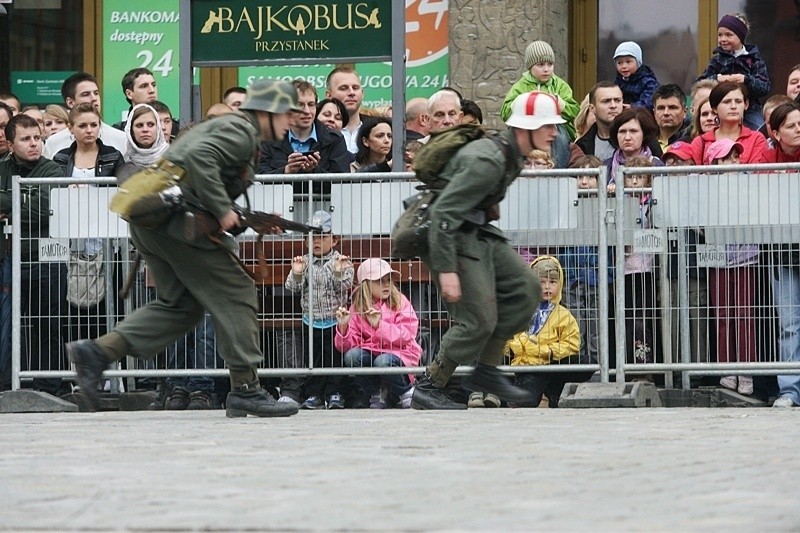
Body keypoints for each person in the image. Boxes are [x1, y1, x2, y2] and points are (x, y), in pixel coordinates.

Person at [65, 79, 304, 418]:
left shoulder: (228, 127)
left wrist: (247, 217)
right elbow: (200, 159)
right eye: (287, 113)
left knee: (181, 305)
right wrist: (223, 210)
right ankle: (246, 389)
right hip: (178, 224)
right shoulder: (241, 129)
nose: (292, 120)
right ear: (267, 112)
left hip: (154, 220)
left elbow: (197, 173)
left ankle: (98, 352)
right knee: (236, 291)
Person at [409, 91, 563, 410]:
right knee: (479, 320)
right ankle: (430, 385)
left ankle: (487, 370)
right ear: (525, 128)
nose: (554, 133)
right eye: (547, 125)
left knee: (526, 290)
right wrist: (447, 268)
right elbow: (443, 214)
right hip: (450, 235)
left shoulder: (514, 154)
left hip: (476, 229)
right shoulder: (489, 160)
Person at [0, 114, 67, 395]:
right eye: (26, 139)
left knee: (46, 325)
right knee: (6, 325)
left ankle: (48, 386)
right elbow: (36, 205)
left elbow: (46, 210)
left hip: (46, 258)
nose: (33, 144)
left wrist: (10, 203)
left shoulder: (52, 169)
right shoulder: (1, 168)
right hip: (8, 259)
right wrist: (27, 198)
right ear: (11, 142)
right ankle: (6, 384)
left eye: (37, 138)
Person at [52, 103, 125, 344]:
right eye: (82, 125)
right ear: (71, 129)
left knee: (108, 308)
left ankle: (110, 373)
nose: (89, 130)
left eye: (94, 125)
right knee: (72, 307)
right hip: (70, 243)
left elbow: (122, 189)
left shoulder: (112, 155)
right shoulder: (61, 159)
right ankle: (77, 369)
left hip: (106, 243)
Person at [283, 210, 354, 409]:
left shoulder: (341, 260)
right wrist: (297, 273)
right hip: (311, 320)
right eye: (312, 237)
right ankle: (314, 394)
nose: (317, 242)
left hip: (335, 320)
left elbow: (345, 286)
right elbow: (292, 287)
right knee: (313, 358)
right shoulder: (303, 262)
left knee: (334, 357)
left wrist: (339, 272)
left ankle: (335, 393)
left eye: (322, 237)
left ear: (334, 240)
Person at [702, 138, 756, 395]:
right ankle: (727, 369)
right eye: (725, 158)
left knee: (746, 315)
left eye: (735, 157)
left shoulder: (749, 184)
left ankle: (746, 371)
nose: (733, 162)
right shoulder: (705, 189)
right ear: (713, 162)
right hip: (716, 257)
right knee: (722, 315)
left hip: (746, 256)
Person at [336, 258, 421, 409]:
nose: (387, 284)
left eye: (388, 279)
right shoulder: (356, 308)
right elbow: (347, 347)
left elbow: (407, 335)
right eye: (379, 281)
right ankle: (376, 393)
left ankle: (406, 391)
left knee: (383, 361)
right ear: (366, 284)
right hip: (374, 354)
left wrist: (379, 325)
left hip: (399, 353)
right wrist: (343, 327)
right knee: (352, 356)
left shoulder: (400, 301)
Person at [506, 256, 590, 408]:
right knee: (524, 402)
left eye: (552, 282)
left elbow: (571, 345)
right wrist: (523, 347)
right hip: (526, 366)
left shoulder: (564, 315)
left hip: (551, 364)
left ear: (560, 283)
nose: (547, 287)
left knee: (586, 363)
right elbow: (507, 338)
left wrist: (546, 351)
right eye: (541, 282)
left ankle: (552, 390)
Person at [559, 155, 612, 370]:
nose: (583, 181)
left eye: (590, 176)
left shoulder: (607, 205)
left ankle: (599, 368)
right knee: (574, 324)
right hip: (571, 275)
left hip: (598, 277)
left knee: (597, 325)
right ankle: (577, 368)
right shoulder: (568, 206)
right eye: (579, 176)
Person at [764, 101, 800, 407]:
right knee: (789, 323)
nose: (798, 129)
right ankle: (790, 390)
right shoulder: (764, 158)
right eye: (790, 125)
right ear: (775, 132)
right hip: (782, 251)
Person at [620, 155, 660, 379]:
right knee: (628, 317)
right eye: (630, 177)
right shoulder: (621, 204)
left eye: (639, 177)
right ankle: (630, 364)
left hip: (646, 270)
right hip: (625, 269)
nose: (634, 182)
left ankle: (645, 365)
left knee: (643, 319)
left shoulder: (651, 204)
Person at [258, 80, 349, 177]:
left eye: (311, 105)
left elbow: (342, 184)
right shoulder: (269, 138)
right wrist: (286, 171)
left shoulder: (335, 139)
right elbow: (259, 179)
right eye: (299, 105)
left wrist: (314, 171)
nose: (307, 111)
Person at [697, 12, 770, 130]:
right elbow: (700, 83)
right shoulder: (717, 60)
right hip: (719, 109)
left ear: (740, 37)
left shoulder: (753, 59)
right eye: (720, 35)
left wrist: (745, 80)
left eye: (728, 35)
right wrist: (717, 79)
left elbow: (764, 87)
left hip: (750, 109)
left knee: (760, 130)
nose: (723, 39)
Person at [500, 40, 580, 140]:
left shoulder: (560, 85)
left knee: (560, 136)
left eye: (550, 64)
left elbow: (574, 111)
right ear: (530, 67)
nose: (546, 69)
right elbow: (505, 113)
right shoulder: (520, 86)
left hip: (557, 130)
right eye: (541, 64)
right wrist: (523, 102)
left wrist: (557, 102)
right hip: (527, 128)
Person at [43, 72, 127, 158]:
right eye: (86, 94)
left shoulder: (120, 139)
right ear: (70, 102)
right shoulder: (54, 143)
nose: (94, 98)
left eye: (96, 93)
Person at [688, 81, 767, 165]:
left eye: (738, 101)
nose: (733, 106)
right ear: (714, 107)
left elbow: (757, 175)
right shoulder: (700, 142)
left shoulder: (756, 139)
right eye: (727, 102)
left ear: (746, 105)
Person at [603, 107, 663, 191]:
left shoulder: (656, 165)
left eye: (633, 131)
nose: (627, 137)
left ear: (644, 135)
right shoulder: (606, 166)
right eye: (622, 131)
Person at [575, 81, 625, 161]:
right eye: (606, 101)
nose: (613, 105)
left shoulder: (638, 138)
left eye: (617, 100)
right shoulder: (581, 146)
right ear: (592, 108)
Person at [325, 67, 366, 155]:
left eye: (355, 88)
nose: (351, 93)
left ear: (362, 93)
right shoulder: (319, 130)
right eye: (343, 88)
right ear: (329, 95)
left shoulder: (377, 128)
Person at [613, 41, 659, 111]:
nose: (624, 66)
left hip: (642, 116)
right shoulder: (619, 80)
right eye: (619, 63)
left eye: (628, 62)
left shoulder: (648, 81)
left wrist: (633, 107)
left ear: (638, 63)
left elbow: (650, 101)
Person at [652, 84, 690, 150]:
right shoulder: (644, 141)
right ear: (654, 113)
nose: (666, 113)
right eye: (661, 108)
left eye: (672, 107)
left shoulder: (693, 141)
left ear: (685, 112)